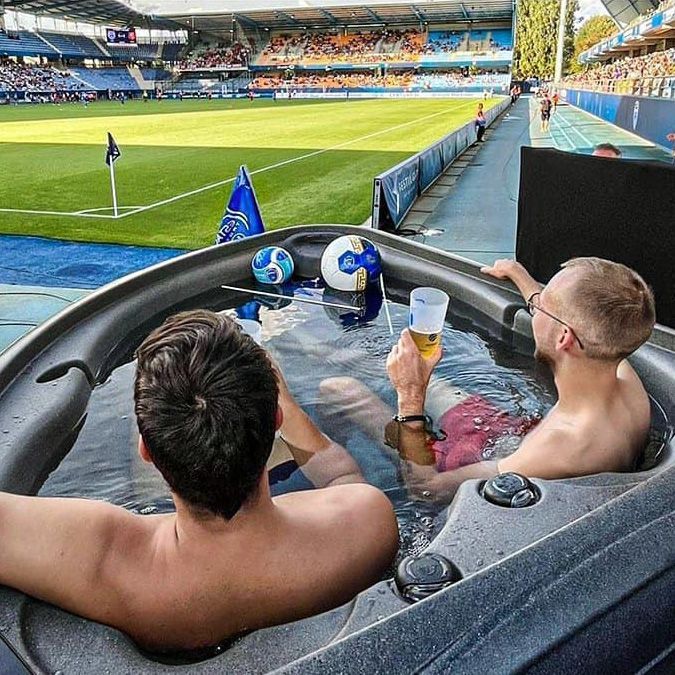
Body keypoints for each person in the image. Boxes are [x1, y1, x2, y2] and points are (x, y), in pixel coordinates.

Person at [0, 310, 398, 652]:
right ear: (275, 422)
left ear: (148, 453)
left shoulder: (109, 560)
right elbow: (344, 481)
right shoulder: (367, 525)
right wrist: (287, 406)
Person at [321, 257, 655, 501]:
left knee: (338, 389)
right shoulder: (624, 375)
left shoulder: (562, 445)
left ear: (564, 338)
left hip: (489, 461)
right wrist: (521, 277)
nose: (535, 306)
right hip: (513, 432)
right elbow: (569, 315)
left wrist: (410, 396)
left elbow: (427, 490)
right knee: (424, 378)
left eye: (543, 305)